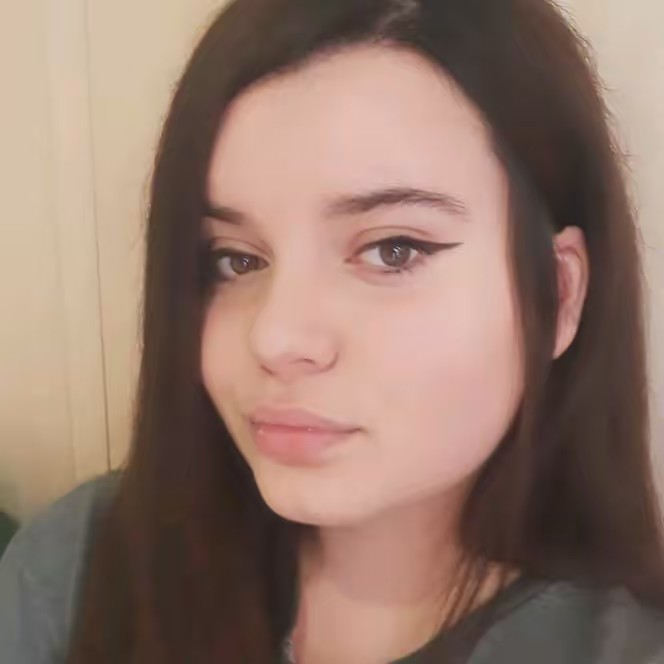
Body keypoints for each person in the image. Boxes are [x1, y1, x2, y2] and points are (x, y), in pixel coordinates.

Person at [1, 0, 663, 662]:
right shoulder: (84, 564)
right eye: (235, 260)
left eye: (393, 251)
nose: (275, 338)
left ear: (558, 294)